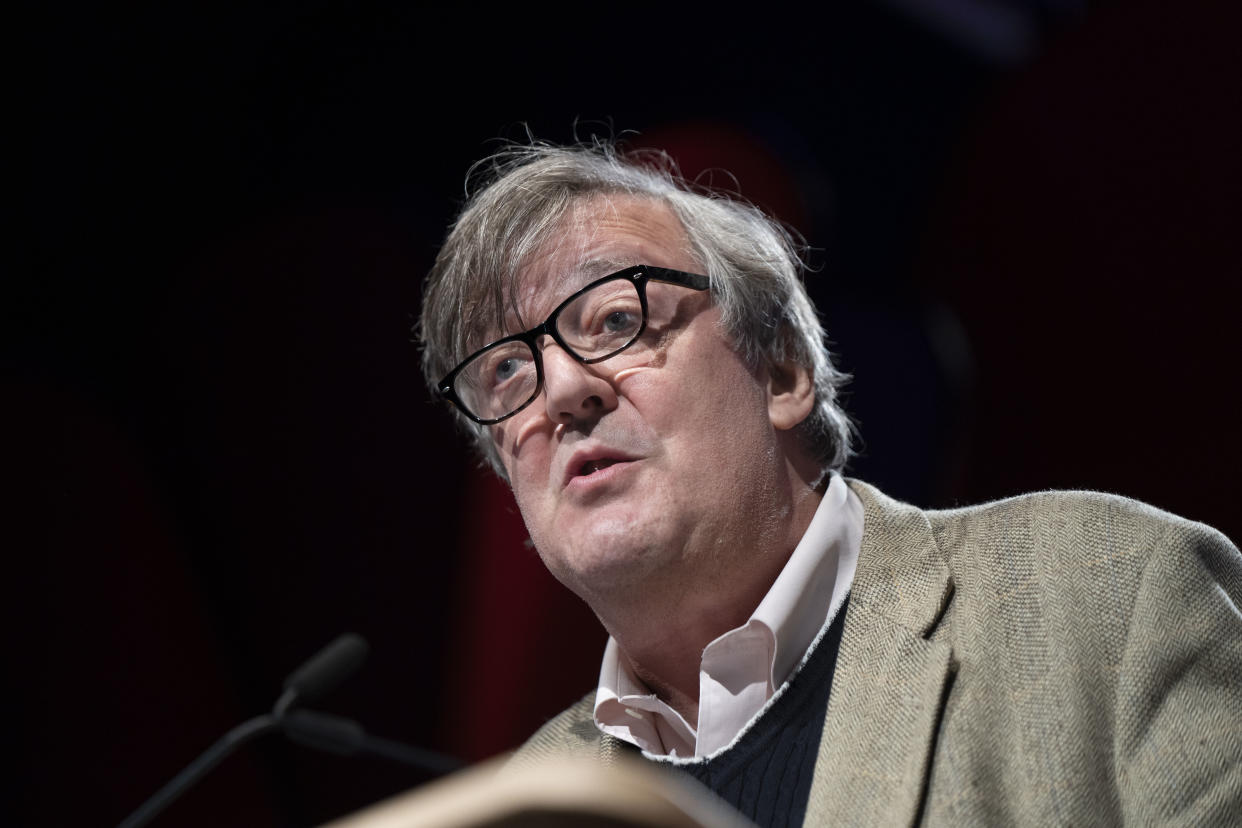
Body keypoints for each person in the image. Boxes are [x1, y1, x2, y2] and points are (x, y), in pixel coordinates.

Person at [418, 141, 1242, 826]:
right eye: (506, 373)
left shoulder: (1107, 595)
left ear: (781, 371)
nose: (562, 390)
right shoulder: (532, 804)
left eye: (616, 320)